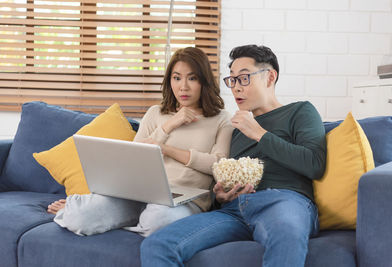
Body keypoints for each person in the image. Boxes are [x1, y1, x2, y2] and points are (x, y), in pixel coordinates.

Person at [140, 45, 327, 267]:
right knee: (158, 245)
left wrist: (258, 133)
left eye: (244, 78)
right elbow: (219, 172)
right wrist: (220, 195)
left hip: (282, 200)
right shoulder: (234, 128)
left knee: (286, 233)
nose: (236, 88)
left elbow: (314, 164)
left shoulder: (299, 112)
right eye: (233, 80)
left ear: (270, 77)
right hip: (233, 210)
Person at [47, 47, 234, 237]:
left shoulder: (221, 119)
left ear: (204, 81)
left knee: (158, 221)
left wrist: (167, 149)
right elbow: (133, 157)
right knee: (78, 216)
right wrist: (169, 125)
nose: (183, 86)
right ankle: (120, 217)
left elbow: (219, 165)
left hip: (185, 201)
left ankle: (127, 220)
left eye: (192, 78)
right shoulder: (156, 113)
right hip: (140, 194)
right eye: (176, 78)